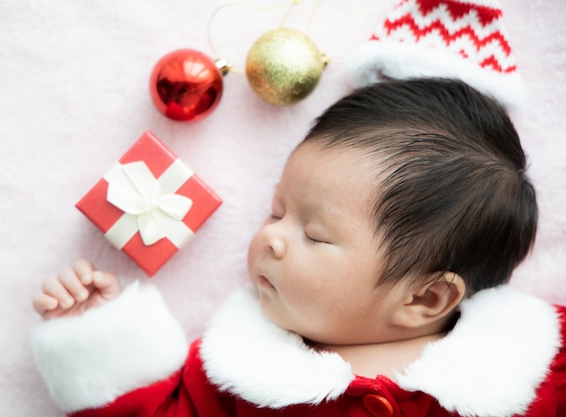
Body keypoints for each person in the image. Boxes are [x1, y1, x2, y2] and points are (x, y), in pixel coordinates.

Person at [31, 78, 566, 417]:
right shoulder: (238, 376)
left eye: (314, 235)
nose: (271, 238)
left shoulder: (534, 370)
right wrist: (101, 338)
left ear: (425, 299)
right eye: (277, 211)